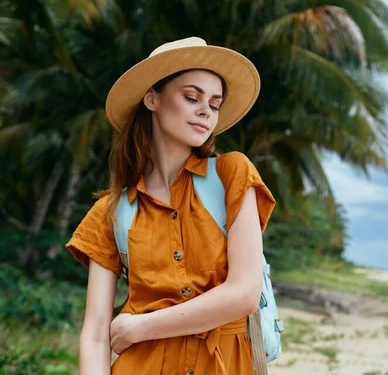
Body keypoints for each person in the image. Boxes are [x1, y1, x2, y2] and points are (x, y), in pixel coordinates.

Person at [65, 37, 276, 374]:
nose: (206, 110)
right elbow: (94, 334)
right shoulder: (111, 211)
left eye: (215, 103)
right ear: (152, 98)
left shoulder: (231, 174)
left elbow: (245, 293)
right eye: (192, 97)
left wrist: (139, 327)